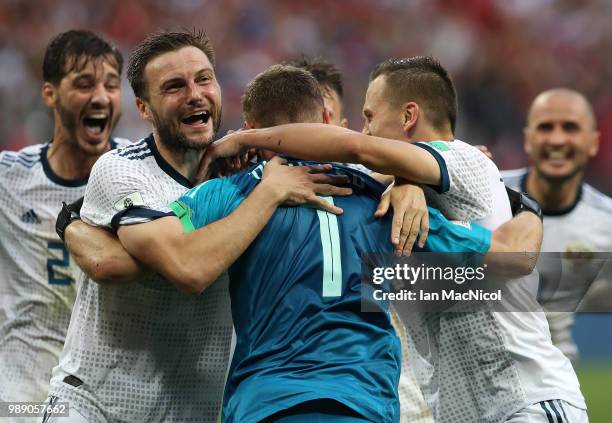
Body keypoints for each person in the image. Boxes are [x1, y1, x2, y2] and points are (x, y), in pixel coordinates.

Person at [211, 57, 587, 422]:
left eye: (370, 116)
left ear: (408, 117)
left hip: (526, 398)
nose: (364, 129)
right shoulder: (396, 188)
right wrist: (407, 182)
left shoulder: (457, 157)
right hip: (471, 406)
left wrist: (247, 138)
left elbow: (356, 150)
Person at [46, 31, 349, 423]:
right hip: (95, 407)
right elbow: (189, 270)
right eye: (174, 86)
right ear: (144, 107)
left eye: (204, 79)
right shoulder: (123, 168)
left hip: (193, 411)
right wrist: (267, 194)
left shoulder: (246, 171)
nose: (195, 94)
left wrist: (407, 188)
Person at [0, 30, 128, 413]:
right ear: (50, 94)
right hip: (20, 395)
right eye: (84, 84)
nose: (101, 97)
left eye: (110, 84)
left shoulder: (139, 173)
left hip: (104, 396)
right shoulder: (9, 179)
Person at [502, 88, 612, 364]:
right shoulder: (485, 194)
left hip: (557, 383)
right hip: (477, 374)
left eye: (571, 128)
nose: (557, 139)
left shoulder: (606, 223)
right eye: (545, 127)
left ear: (593, 143)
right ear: (527, 140)